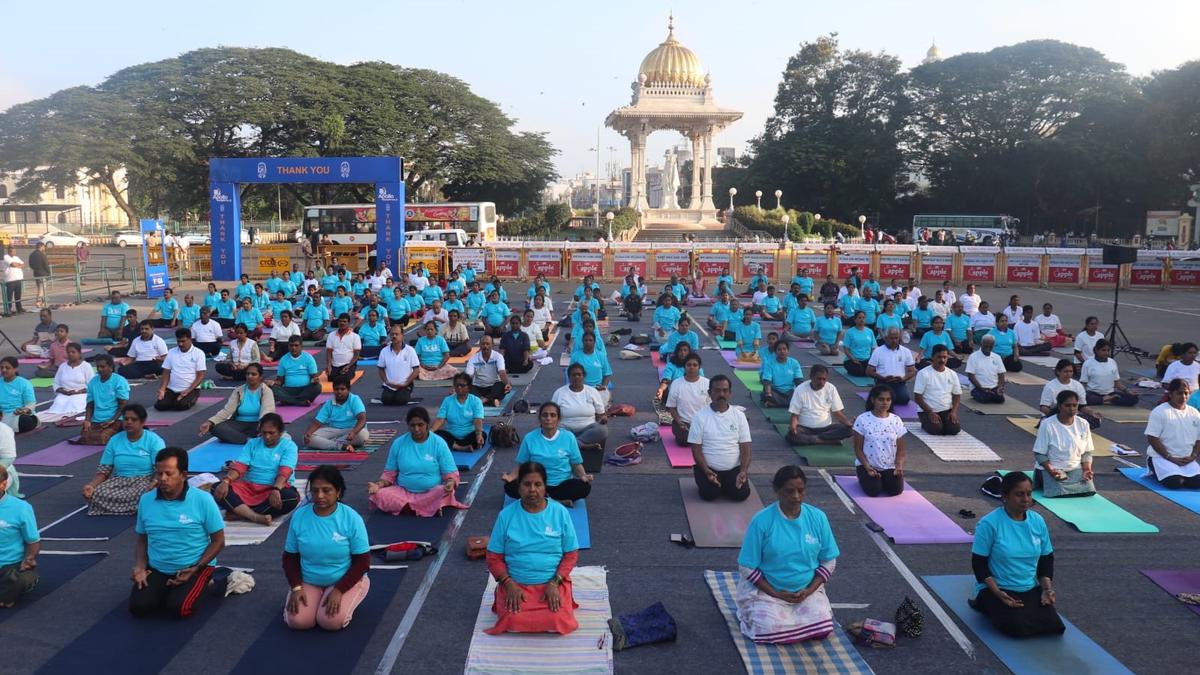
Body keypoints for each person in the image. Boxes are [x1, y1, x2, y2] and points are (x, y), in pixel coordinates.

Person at [735, 465, 839, 644]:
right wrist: (776, 593)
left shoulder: (818, 517)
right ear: (777, 490)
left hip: (806, 591)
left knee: (823, 629)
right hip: (767, 592)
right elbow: (746, 566)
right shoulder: (762, 521)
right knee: (766, 630)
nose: (796, 496)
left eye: (800, 490)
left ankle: (795, 624)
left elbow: (829, 561)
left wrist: (809, 591)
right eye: (789, 491)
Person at [485, 461, 580, 635]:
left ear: (545, 487)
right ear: (519, 487)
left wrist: (555, 583)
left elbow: (571, 554)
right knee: (513, 620)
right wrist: (509, 584)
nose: (532, 490)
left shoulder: (560, 513)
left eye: (538, 484)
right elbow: (493, 557)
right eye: (527, 484)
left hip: (551, 584)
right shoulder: (506, 515)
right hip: (516, 585)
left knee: (556, 619)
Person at [129, 447, 225, 619]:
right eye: (159, 473)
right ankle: (167, 588)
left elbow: (218, 541)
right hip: (158, 567)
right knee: (139, 607)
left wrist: (196, 567)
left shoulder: (203, 500)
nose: (162, 479)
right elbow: (142, 539)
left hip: (193, 565)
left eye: (169, 473)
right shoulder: (146, 500)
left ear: (183, 475)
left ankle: (215, 582)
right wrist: (140, 567)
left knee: (179, 609)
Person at [970, 471, 1064, 637]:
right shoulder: (989, 524)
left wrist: (1046, 589)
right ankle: (983, 602)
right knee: (1018, 628)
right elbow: (979, 564)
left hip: (1027, 588)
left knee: (1055, 627)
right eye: (1019, 495)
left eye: (1029, 494)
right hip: (996, 589)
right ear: (1005, 496)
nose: (1026, 499)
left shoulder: (1037, 521)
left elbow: (1046, 559)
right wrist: (998, 593)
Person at [283, 465, 372, 631]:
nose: (319, 496)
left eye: (326, 490)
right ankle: (315, 598)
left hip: (342, 579)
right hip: (309, 580)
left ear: (338, 492)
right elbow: (290, 557)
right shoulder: (299, 516)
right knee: (298, 621)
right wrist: (296, 587)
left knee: (330, 622)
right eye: (315, 491)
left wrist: (339, 590)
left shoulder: (352, 518)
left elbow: (362, 562)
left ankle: (353, 593)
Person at [367, 407, 467, 517]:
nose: (416, 429)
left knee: (443, 491)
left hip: (431, 492)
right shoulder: (398, 443)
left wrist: (450, 483)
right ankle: (428, 508)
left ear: (427, 424)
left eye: (420, 425)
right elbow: (389, 475)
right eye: (412, 425)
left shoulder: (439, 443)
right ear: (408, 426)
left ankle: (411, 508)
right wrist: (377, 485)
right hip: (403, 492)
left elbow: (450, 472)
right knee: (380, 494)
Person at [211, 413, 301, 524]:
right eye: (264, 433)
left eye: (271, 433)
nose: (267, 437)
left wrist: (276, 489)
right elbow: (241, 465)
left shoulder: (289, 446)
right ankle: (254, 516)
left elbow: (285, 471)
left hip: (273, 489)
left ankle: (239, 511)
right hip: (249, 488)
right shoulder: (252, 443)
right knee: (217, 488)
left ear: (281, 432)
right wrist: (226, 480)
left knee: (291, 498)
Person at [502, 402, 593, 505]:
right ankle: (556, 501)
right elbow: (522, 465)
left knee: (585, 487)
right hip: (535, 485)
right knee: (510, 486)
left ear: (558, 419)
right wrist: (510, 477)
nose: (548, 418)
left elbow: (576, 464)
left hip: (561, 485)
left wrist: (583, 476)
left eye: (553, 415)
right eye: (545, 415)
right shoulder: (530, 438)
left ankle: (545, 500)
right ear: (540, 418)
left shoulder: (569, 437)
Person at [80, 404, 163, 515]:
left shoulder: (154, 440)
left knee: (147, 494)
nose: (129, 422)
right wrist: (91, 486)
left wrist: (154, 483)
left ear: (142, 422)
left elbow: (159, 468)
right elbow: (104, 470)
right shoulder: (114, 440)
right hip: (119, 481)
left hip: (144, 480)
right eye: (126, 419)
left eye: (133, 419)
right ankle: (133, 508)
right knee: (97, 492)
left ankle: (125, 507)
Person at [688, 376, 752, 502]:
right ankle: (709, 480)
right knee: (710, 494)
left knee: (741, 495)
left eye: (725, 390)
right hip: (709, 468)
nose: (721, 394)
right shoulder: (699, 417)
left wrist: (743, 471)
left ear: (730, 393)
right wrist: (706, 470)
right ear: (709, 393)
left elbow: (745, 447)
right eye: (717, 391)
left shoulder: (739, 416)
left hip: (733, 469)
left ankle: (727, 484)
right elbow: (696, 450)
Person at [1033, 390, 1096, 497]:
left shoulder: (1083, 424)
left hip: (1075, 469)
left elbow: (1087, 453)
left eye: (1074, 405)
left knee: (1088, 490)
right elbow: (1039, 454)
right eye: (1067, 405)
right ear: (1059, 406)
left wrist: (1087, 470)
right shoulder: (1047, 424)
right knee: (1057, 491)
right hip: (1051, 469)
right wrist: (1052, 471)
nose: (1071, 409)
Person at [198, 364, 275, 445]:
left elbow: (267, 411)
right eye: (247, 374)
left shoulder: (266, 391)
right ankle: (248, 440)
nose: (249, 376)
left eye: (253, 374)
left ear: (260, 377)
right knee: (215, 428)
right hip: (239, 423)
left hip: (258, 424)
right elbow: (227, 411)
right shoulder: (238, 390)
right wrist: (210, 422)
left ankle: (236, 437)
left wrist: (262, 425)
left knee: (270, 428)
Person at [1145, 379, 1200, 489]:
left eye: (1186, 393)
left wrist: (1193, 456)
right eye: (1179, 393)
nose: (1183, 396)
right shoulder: (1160, 411)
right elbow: (1152, 438)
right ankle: (1154, 470)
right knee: (1174, 483)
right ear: (1170, 394)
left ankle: (1183, 476)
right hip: (1163, 458)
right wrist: (1169, 457)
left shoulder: (1194, 413)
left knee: (1197, 484)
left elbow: (1198, 439)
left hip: (1186, 460)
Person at [853, 385, 907, 497]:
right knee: (874, 491)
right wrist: (867, 467)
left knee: (895, 491)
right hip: (867, 466)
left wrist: (899, 466)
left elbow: (901, 450)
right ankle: (864, 476)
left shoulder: (896, 420)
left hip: (889, 466)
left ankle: (883, 479)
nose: (885, 403)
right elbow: (858, 449)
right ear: (873, 400)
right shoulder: (862, 419)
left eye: (888, 399)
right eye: (881, 399)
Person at [0, 464, 39, 607]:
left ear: (3, 484)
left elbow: (33, 541)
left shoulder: (21, 508)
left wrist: (29, 558)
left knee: (15, 581)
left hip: (10, 567)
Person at [786, 365, 853, 446]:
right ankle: (826, 441)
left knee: (850, 430)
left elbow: (837, 413)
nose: (821, 382)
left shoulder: (831, 388)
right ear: (811, 377)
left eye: (824, 379)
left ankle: (815, 439)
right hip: (805, 428)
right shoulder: (800, 389)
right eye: (819, 379)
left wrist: (848, 423)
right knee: (791, 435)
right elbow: (795, 415)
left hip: (826, 429)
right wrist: (793, 427)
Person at [553, 364, 610, 453]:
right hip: (566, 429)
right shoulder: (559, 393)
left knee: (603, 430)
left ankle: (573, 444)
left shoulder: (592, 391)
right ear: (569, 377)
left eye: (579, 374)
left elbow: (600, 414)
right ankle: (582, 445)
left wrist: (603, 419)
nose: (576, 377)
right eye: (573, 375)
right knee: (555, 432)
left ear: (584, 376)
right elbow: (553, 414)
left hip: (588, 430)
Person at [303, 379, 368, 452]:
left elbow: (362, 419)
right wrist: (308, 433)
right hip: (334, 430)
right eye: (336, 389)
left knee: (362, 435)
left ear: (348, 389)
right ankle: (340, 445)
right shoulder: (329, 403)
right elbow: (317, 422)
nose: (339, 392)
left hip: (352, 430)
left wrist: (354, 432)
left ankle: (329, 442)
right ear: (333, 390)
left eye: (342, 389)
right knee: (308, 438)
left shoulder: (355, 399)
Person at [79, 354, 129, 445]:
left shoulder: (120, 381)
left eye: (102, 367)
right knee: (84, 436)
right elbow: (90, 405)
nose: (99, 369)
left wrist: (112, 420)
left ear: (110, 367)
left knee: (102, 437)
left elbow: (123, 405)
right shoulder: (93, 382)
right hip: (97, 420)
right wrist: (87, 420)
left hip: (115, 419)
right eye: (98, 367)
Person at [913, 345, 962, 436]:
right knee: (937, 430)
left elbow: (957, 395)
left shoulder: (952, 374)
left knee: (954, 429)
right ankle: (925, 423)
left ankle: (942, 423)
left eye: (945, 357)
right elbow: (918, 397)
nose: (942, 360)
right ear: (932, 357)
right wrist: (930, 412)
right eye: (939, 357)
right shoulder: (923, 373)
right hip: (927, 411)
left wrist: (953, 412)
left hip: (946, 410)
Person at [1039, 359, 1102, 429]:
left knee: (1096, 420)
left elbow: (1082, 406)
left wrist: (1092, 412)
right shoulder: (1050, 386)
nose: (1068, 374)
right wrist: (1057, 417)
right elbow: (1043, 407)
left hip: (1074, 415)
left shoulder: (1078, 385)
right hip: (1055, 414)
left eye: (1071, 371)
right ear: (1058, 372)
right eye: (1066, 371)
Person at [154, 329, 206, 411]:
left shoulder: (199, 353)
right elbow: (166, 372)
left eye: (183, 341)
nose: (180, 344)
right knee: (160, 406)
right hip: (172, 389)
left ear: (190, 340)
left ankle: (189, 398)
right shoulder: (171, 352)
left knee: (180, 406)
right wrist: (162, 389)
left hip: (190, 389)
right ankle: (174, 399)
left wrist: (188, 390)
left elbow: (200, 375)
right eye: (178, 341)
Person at [432, 373, 486, 451]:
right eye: (457, 385)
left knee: (483, 435)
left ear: (469, 387)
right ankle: (460, 448)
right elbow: (440, 420)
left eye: (462, 385)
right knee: (436, 434)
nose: (459, 387)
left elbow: (477, 420)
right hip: (451, 436)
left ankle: (453, 446)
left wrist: (479, 434)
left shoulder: (476, 401)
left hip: (469, 436)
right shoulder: (447, 400)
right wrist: (431, 431)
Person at [666, 354, 710, 447]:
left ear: (699, 367)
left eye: (695, 365)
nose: (691, 367)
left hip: (703, 422)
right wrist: (679, 421)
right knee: (684, 440)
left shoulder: (707, 383)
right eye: (688, 365)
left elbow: (712, 407)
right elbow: (672, 408)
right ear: (684, 367)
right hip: (683, 423)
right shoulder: (676, 383)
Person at [42, 341, 93, 421]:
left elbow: (92, 385)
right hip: (65, 394)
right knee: (59, 404)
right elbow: (56, 383)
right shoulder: (63, 366)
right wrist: (63, 391)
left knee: (75, 404)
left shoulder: (86, 366)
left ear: (79, 353)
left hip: (81, 394)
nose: (70, 354)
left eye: (73, 352)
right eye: (68, 352)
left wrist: (77, 392)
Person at [866, 328, 916, 406]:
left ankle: (890, 397)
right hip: (882, 382)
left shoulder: (906, 351)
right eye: (891, 338)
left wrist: (903, 378)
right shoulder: (878, 351)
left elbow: (912, 371)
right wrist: (883, 378)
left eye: (896, 338)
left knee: (904, 400)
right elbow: (869, 371)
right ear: (886, 338)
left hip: (899, 382)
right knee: (877, 402)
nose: (894, 341)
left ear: (899, 338)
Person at [1080, 340, 1137, 406]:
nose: (1106, 353)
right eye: (1103, 350)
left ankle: (1106, 400)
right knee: (1084, 398)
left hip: (1110, 394)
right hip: (1093, 393)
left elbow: (1117, 383)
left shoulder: (1112, 362)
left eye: (1108, 350)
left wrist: (1128, 391)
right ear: (1096, 350)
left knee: (1134, 398)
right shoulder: (1088, 363)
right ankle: (1104, 400)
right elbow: (1083, 384)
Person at [271, 336, 322, 406]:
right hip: (288, 390)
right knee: (271, 388)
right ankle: (299, 401)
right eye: (291, 345)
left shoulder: (309, 358)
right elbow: (280, 381)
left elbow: (314, 377)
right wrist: (272, 383)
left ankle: (288, 400)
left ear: (301, 346)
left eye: (296, 345)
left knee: (317, 387)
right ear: (288, 346)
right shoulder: (283, 359)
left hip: (305, 390)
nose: (293, 348)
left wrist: (315, 380)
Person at [377, 325, 420, 406]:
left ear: (402, 335)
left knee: (401, 400)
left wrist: (406, 383)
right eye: (392, 334)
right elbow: (380, 369)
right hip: (389, 385)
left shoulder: (410, 350)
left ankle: (404, 393)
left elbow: (416, 370)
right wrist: (386, 382)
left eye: (397, 334)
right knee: (386, 400)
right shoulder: (384, 351)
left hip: (405, 384)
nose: (394, 336)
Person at [466, 335, 512, 406]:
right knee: (466, 386)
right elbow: (468, 375)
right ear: (480, 345)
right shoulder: (473, 358)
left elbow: (502, 372)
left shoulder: (498, 356)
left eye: (487, 344)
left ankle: (483, 400)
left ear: (492, 345)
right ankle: (491, 400)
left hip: (493, 387)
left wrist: (507, 384)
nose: (485, 346)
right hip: (478, 387)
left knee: (504, 385)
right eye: (483, 344)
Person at [570, 332, 612, 404]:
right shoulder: (575, 356)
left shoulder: (601, 356)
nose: (588, 342)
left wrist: (604, 386)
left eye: (590, 340)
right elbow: (570, 374)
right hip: (580, 388)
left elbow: (607, 374)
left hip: (597, 389)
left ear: (594, 342)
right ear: (582, 342)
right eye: (586, 340)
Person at [762, 340, 805, 408]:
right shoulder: (769, 363)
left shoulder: (794, 363)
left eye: (784, 349)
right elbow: (767, 381)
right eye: (779, 349)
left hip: (790, 391)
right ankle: (788, 404)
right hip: (775, 391)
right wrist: (768, 394)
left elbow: (799, 380)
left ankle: (776, 404)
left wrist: (803, 393)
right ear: (775, 352)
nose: (782, 351)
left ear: (788, 350)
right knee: (767, 394)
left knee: (799, 397)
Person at [966, 335, 1008, 404]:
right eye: (986, 346)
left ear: (993, 345)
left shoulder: (997, 357)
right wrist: (981, 388)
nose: (988, 348)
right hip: (978, 387)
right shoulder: (973, 356)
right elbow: (971, 376)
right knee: (984, 399)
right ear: (981, 344)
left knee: (1000, 399)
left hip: (994, 387)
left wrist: (1000, 387)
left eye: (990, 347)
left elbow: (1001, 375)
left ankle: (991, 394)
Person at [0, 357, 37, 433]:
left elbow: (31, 404)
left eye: (7, 368)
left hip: (17, 415)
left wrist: (24, 410)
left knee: (25, 421)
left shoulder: (24, 383)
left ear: (15, 369)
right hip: (2, 415)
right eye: (1, 368)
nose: (4, 370)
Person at [840, 311, 875, 377]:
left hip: (866, 359)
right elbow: (846, 349)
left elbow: (873, 347)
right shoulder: (849, 332)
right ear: (855, 320)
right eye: (859, 318)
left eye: (863, 318)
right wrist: (853, 359)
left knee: (872, 371)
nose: (862, 320)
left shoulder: (869, 331)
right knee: (860, 372)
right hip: (852, 360)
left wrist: (872, 359)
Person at [2, 244, 25, 315]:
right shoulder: (6, 257)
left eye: (14, 250)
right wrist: (18, 265)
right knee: (9, 296)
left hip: (18, 279)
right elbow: (12, 265)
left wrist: (17, 265)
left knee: (18, 296)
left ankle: (19, 308)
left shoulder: (16, 257)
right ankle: (8, 310)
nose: (13, 251)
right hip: (10, 280)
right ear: (9, 250)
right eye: (12, 250)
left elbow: (23, 265)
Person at [28, 241, 50, 309]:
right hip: (43, 273)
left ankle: (42, 302)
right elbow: (46, 264)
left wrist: (35, 269)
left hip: (36, 273)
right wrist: (48, 272)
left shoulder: (32, 254)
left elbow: (30, 265)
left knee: (40, 288)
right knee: (42, 289)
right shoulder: (42, 255)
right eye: (43, 246)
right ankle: (38, 302)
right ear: (40, 246)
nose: (44, 248)